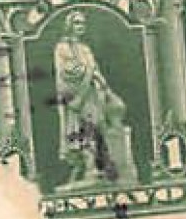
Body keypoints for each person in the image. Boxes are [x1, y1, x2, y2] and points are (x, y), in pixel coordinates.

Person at [53, 11, 138, 188]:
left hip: (93, 94)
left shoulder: (85, 49)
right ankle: (87, 167)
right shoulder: (62, 48)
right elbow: (66, 71)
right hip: (75, 97)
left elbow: (95, 69)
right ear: (69, 25)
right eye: (76, 23)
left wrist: (103, 85)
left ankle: (97, 167)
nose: (80, 26)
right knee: (81, 130)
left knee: (96, 126)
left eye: (82, 23)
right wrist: (88, 71)